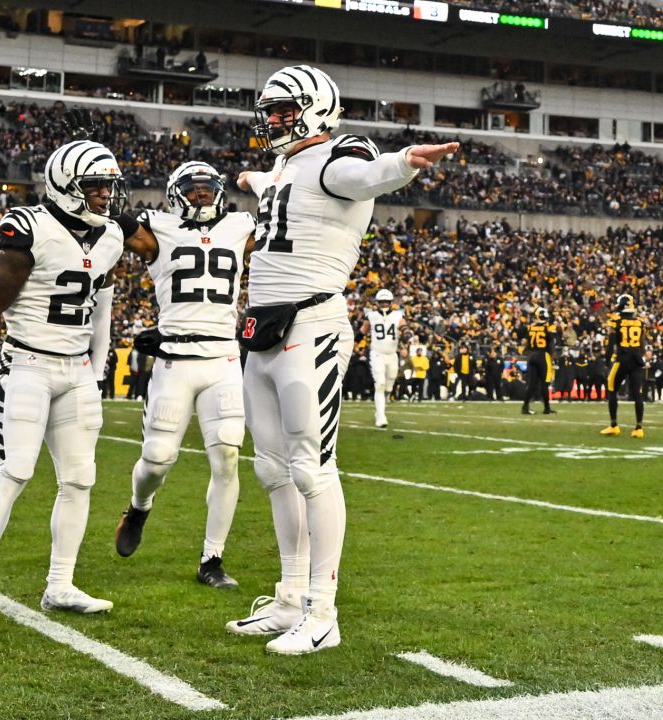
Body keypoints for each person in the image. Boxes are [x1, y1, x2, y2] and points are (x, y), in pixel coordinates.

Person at [228, 64, 458, 655]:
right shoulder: (286, 165)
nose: (274, 119)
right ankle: (286, 598)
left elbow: (365, 175)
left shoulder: (337, 155)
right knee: (271, 468)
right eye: (270, 110)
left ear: (316, 107)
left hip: (311, 326)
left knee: (311, 468)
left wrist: (405, 161)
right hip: (263, 329)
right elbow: (280, 189)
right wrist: (253, 179)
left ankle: (322, 613)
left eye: (285, 109)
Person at [0, 140, 127, 628]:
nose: (105, 195)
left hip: (75, 371)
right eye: (95, 185)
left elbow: (103, 308)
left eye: (108, 185)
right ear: (68, 185)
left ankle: (60, 584)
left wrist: (95, 368)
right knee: (16, 471)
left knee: (79, 478)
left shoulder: (110, 234)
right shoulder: (30, 229)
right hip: (27, 363)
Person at [112, 161, 255, 590]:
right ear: (176, 194)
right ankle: (139, 506)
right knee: (157, 458)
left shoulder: (241, 226)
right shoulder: (158, 228)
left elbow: (284, 236)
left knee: (227, 456)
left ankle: (212, 559)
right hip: (174, 359)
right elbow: (119, 229)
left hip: (223, 359)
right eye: (192, 190)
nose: (201, 196)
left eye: (207, 189)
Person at [599, 294, 647, 438]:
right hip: (637, 360)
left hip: (622, 359)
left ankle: (614, 425)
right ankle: (639, 428)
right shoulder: (640, 322)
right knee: (638, 394)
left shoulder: (616, 321)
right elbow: (642, 344)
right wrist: (639, 355)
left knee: (612, 389)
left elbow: (610, 345)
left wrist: (607, 362)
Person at [362, 290, 404, 428]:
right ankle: (380, 415)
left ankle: (382, 408)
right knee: (379, 384)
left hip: (392, 355)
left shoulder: (398, 315)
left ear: (391, 302)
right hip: (377, 354)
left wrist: (407, 335)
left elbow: (404, 327)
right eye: (382, 302)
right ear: (378, 303)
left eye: (387, 301)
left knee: (389, 386)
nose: (384, 304)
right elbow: (363, 331)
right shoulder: (371, 316)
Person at [517, 307, 558, 415]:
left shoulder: (531, 327)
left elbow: (527, 342)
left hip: (531, 355)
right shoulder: (548, 327)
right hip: (543, 356)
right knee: (545, 383)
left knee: (531, 383)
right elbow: (551, 344)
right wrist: (554, 355)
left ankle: (525, 407)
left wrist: (526, 352)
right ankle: (547, 408)